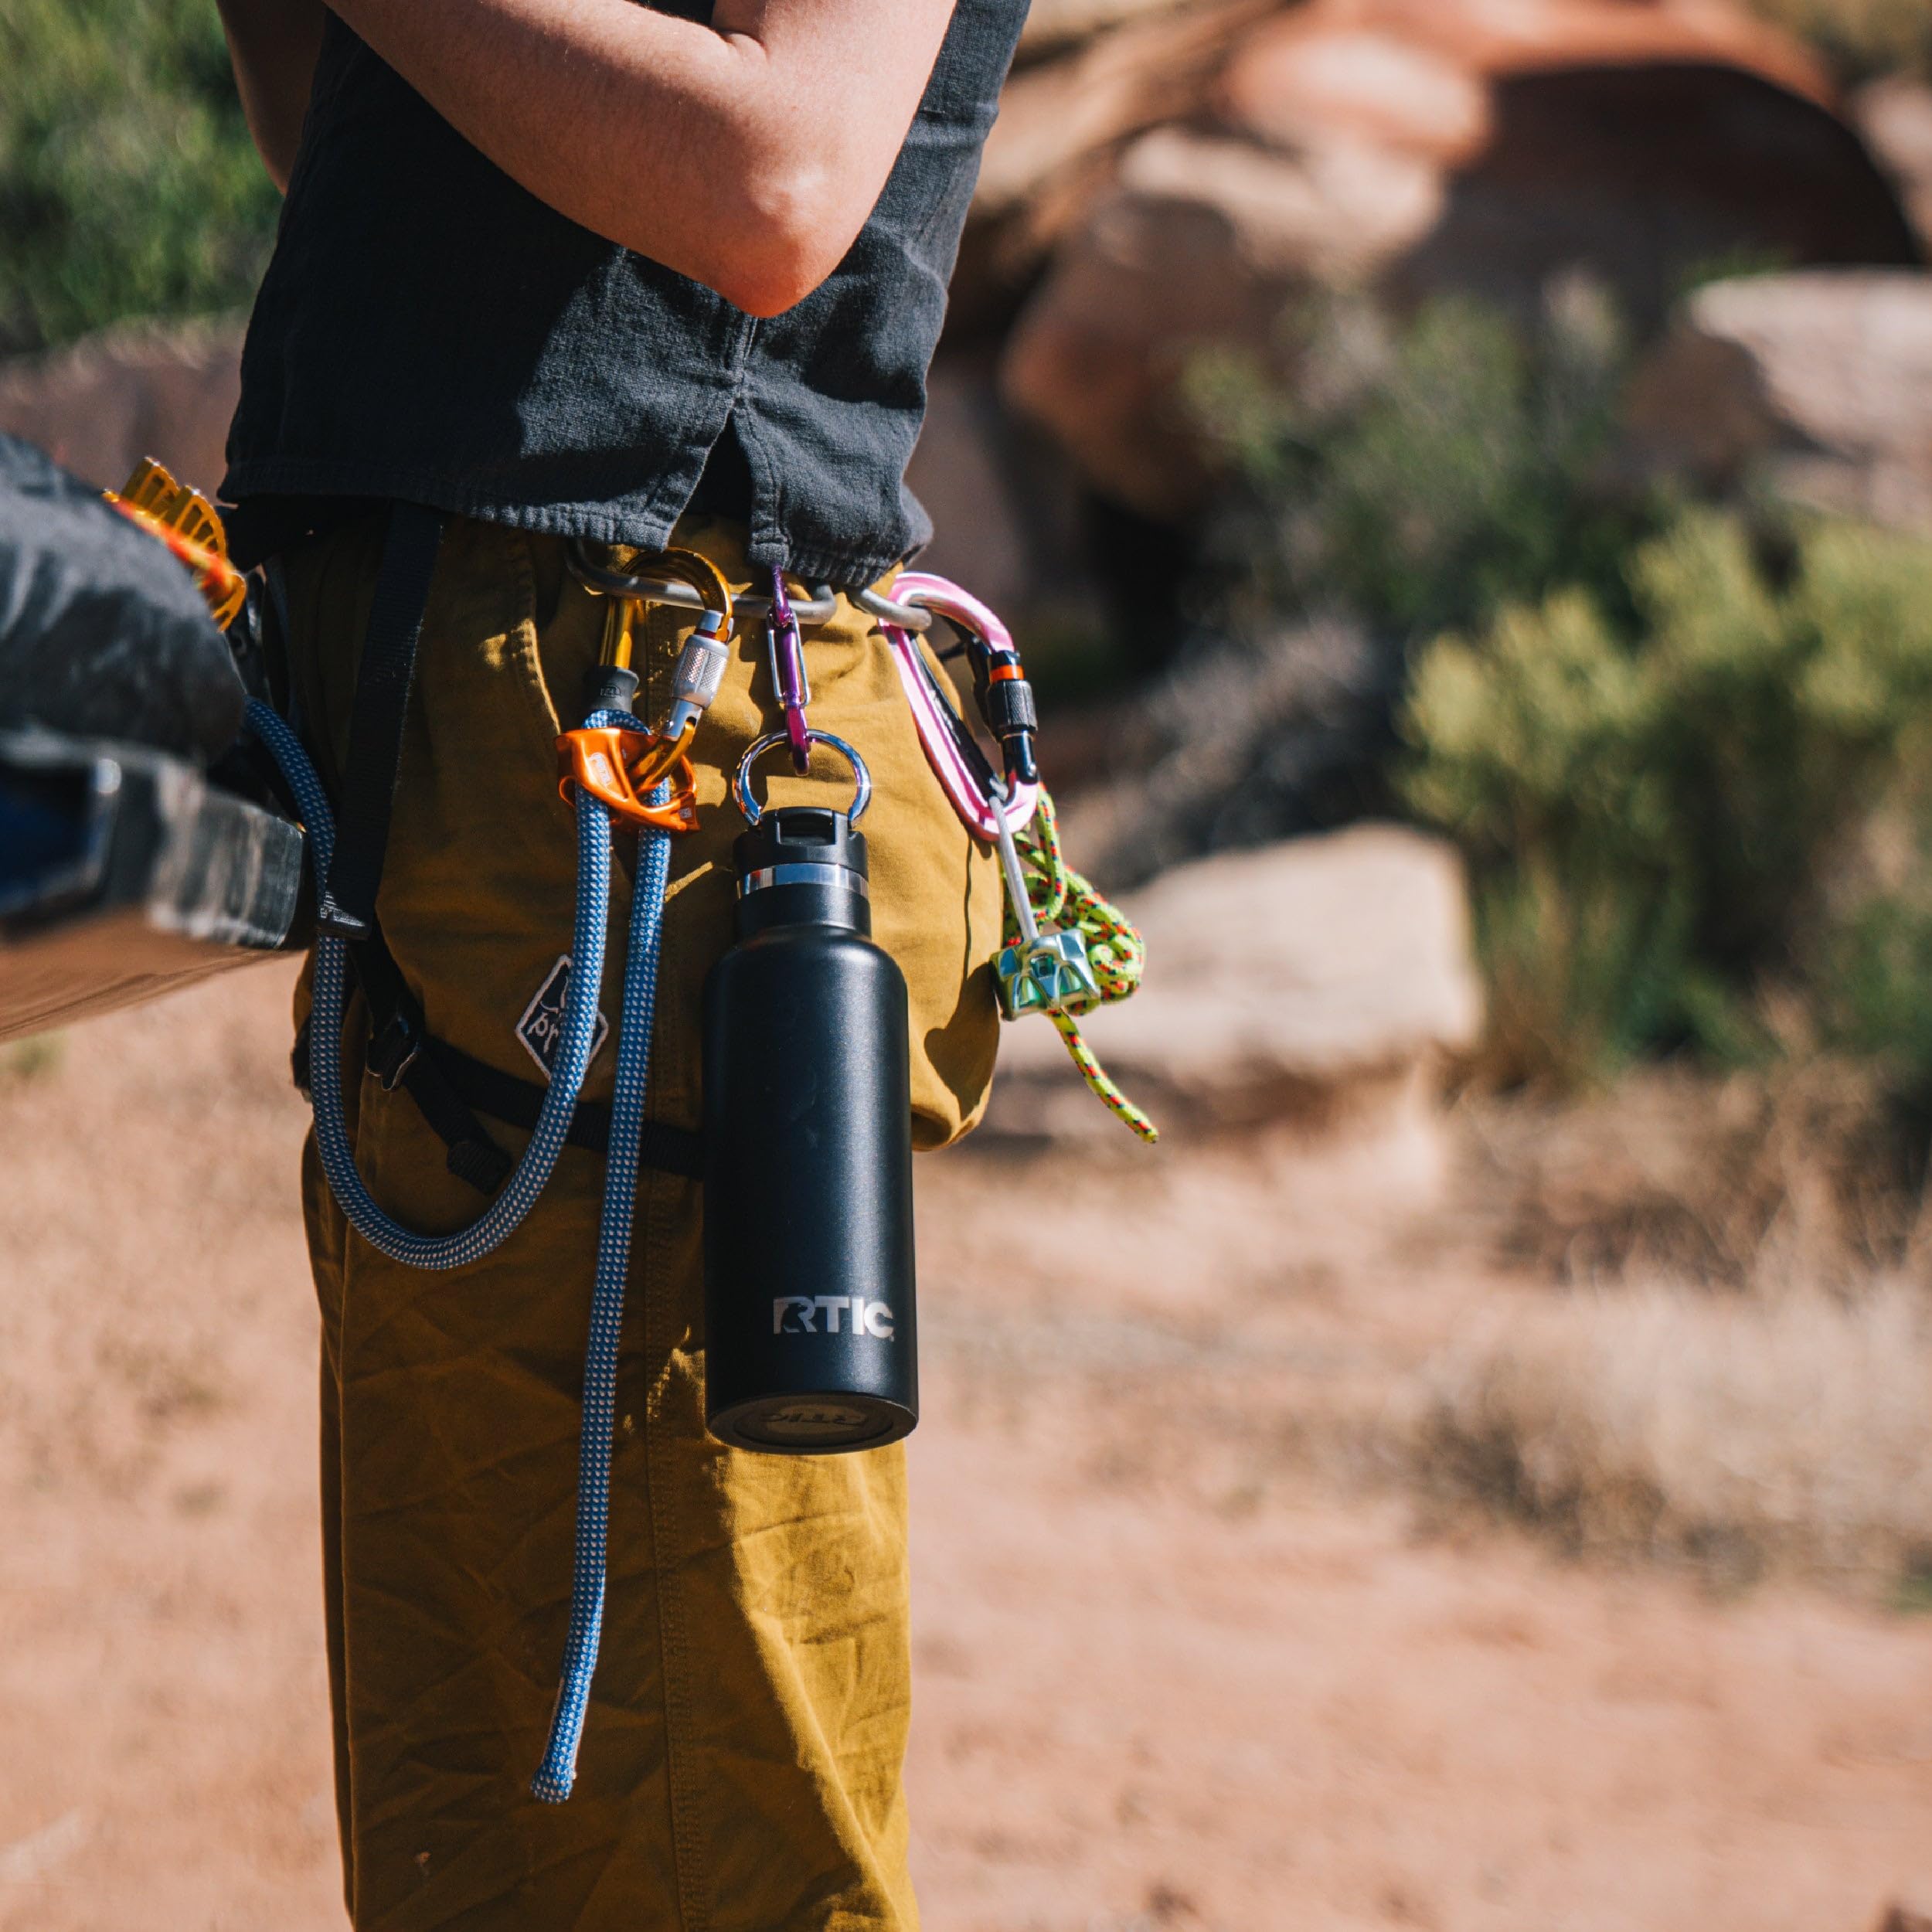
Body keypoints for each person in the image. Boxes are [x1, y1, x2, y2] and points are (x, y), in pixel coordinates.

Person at [212, 2, 1026, 1925]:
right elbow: (345, 124)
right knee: (499, 1792)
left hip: (634, 782)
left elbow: (773, 180)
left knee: (683, 1812)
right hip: (466, 778)